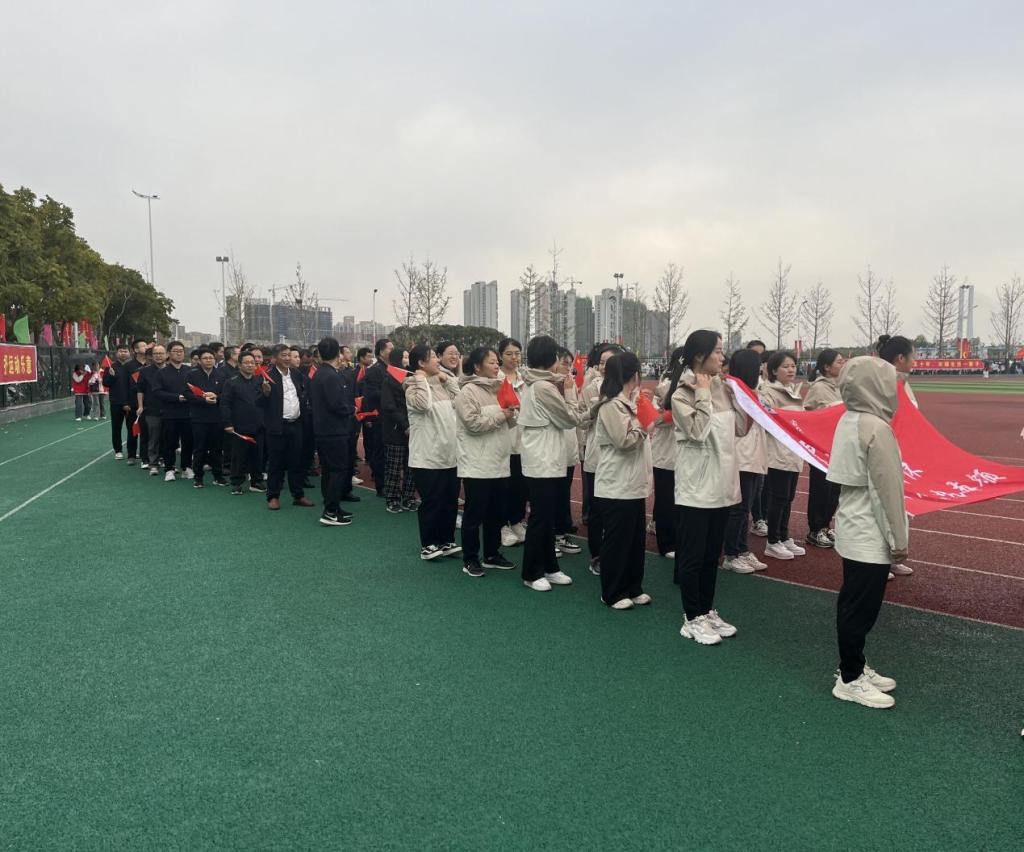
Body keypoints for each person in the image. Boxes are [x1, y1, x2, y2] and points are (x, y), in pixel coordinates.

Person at [827, 356, 908, 709]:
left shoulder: (849, 418)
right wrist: (898, 540)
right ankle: (849, 677)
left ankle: (854, 665)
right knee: (860, 607)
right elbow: (886, 490)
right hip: (870, 529)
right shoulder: (876, 427)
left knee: (854, 602)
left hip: (852, 522)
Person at [670, 330, 749, 645]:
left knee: (711, 555)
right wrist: (703, 394)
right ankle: (691, 618)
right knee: (692, 556)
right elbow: (698, 432)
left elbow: (741, 428)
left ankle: (706, 610)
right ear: (699, 356)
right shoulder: (682, 394)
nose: (722, 356)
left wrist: (740, 398)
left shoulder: (723, 388)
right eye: (717, 351)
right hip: (697, 488)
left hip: (723, 484)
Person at [518, 335, 582, 591]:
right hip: (542, 459)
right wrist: (570, 393)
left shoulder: (537, 383)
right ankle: (531, 572)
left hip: (545, 457)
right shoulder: (543, 387)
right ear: (551, 358)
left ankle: (549, 566)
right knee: (541, 518)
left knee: (546, 516)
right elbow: (569, 418)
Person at [593, 352, 655, 609]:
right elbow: (624, 440)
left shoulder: (629, 402)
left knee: (634, 540)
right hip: (616, 483)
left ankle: (633, 586)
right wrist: (645, 424)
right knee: (617, 541)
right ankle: (613, 592)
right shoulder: (611, 405)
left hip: (632, 482)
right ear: (634, 375)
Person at [454, 346, 517, 577]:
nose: (496, 365)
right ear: (477, 366)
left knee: (496, 513)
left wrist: (512, 412)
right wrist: (502, 415)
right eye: (491, 362)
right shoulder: (467, 392)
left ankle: (492, 554)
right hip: (477, 463)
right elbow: (473, 424)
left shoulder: (500, 388)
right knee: (474, 514)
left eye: (496, 361)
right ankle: (471, 558)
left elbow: (511, 422)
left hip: (499, 461)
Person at [405, 344, 461, 560]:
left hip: (449, 454)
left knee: (450, 500)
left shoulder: (443, 384)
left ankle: (447, 540)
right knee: (432, 501)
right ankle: (428, 544)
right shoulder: (412, 387)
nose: (438, 361)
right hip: (427, 456)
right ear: (421, 363)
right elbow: (424, 405)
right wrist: (420, 379)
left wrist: (448, 380)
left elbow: (461, 400)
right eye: (433, 358)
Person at [721, 349, 769, 573]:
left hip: (754, 455)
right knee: (738, 509)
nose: (760, 370)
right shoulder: (732, 390)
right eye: (757, 366)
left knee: (746, 508)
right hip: (742, 456)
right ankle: (731, 554)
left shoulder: (753, 392)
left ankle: (742, 549)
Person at [760, 351, 807, 561]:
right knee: (778, 498)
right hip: (777, 453)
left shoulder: (793, 391)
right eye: (785, 366)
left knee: (788, 498)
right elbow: (769, 421)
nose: (791, 370)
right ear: (773, 370)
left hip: (793, 453)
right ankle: (772, 541)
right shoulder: (768, 392)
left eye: (793, 366)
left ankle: (783, 536)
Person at [257, 344, 314, 510]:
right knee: (276, 463)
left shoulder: (296, 374)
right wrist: (265, 393)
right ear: (274, 358)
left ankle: (298, 495)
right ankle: (273, 496)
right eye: (284, 355)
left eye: (289, 355)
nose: (288, 358)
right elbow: (257, 402)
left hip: (296, 424)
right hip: (277, 426)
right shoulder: (267, 376)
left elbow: (304, 394)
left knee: (296, 462)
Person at [581, 344, 621, 574]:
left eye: (610, 362)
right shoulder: (591, 388)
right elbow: (582, 419)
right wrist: (598, 406)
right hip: (597, 454)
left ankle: (615, 553)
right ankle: (596, 555)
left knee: (616, 509)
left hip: (620, 456)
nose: (605, 366)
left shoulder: (629, 388)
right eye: (602, 362)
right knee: (596, 510)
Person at [309, 337, 356, 527]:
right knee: (337, 470)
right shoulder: (330, 375)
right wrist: (352, 409)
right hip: (334, 430)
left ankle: (333, 506)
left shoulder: (321, 373)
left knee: (329, 470)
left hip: (324, 429)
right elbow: (337, 404)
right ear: (338, 353)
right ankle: (330, 511)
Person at [803, 349, 846, 548]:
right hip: (821, 448)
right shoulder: (819, 388)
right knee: (821, 489)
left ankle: (826, 525)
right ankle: (815, 529)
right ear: (827, 367)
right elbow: (811, 417)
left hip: (838, 446)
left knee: (835, 490)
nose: (843, 364)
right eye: (839, 362)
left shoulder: (841, 386)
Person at [651, 347, 684, 560]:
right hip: (666, 453)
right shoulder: (664, 386)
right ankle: (666, 543)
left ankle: (680, 538)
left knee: (682, 501)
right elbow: (654, 419)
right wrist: (677, 414)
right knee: (666, 500)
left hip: (687, 454)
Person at [220, 352, 267, 496]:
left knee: (258, 455)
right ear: (239, 365)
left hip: (258, 425)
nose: (250, 365)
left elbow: (265, 402)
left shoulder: (260, 381)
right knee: (238, 456)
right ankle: (236, 483)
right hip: (239, 426)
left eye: (252, 362)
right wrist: (227, 423)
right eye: (246, 362)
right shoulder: (231, 382)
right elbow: (225, 404)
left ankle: (256, 481)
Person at [552, 347, 583, 556]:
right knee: (554, 495)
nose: (568, 368)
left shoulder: (570, 385)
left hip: (569, 447)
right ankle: (554, 535)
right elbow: (568, 416)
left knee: (563, 492)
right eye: (564, 363)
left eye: (570, 364)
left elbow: (577, 417)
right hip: (554, 450)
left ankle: (561, 532)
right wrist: (570, 392)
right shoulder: (549, 388)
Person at [498, 338, 528, 547]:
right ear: (500, 356)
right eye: (509, 353)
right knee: (503, 486)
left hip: (523, 441)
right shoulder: (496, 379)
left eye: (517, 353)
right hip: (503, 441)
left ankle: (516, 521)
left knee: (520, 485)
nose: (514, 357)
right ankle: (502, 525)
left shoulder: (525, 379)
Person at [381, 348, 418, 512]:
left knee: (411, 467)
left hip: (413, 428)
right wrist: (405, 425)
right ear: (397, 359)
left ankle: (409, 497)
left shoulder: (411, 377)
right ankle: (392, 498)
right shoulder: (388, 379)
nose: (407, 360)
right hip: (396, 430)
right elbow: (389, 407)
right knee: (394, 467)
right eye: (404, 357)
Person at [185, 346, 226, 489]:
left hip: (217, 417)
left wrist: (217, 397)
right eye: (205, 358)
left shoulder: (221, 374)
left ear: (215, 360)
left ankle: (218, 476)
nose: (208, 360)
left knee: (217, 449)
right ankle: (198, 477)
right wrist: (203, 400)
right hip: (199, 417)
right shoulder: (192, 375)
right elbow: (187, 394)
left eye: (211, 358)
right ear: (200, 360)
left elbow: (227, 394)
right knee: (199, 448)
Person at [153, 341, 194, 481]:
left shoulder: (190, 371)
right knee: (169, 442)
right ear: (169, 354)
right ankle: (169, 469)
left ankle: (186, 467)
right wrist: (177, 397)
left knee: (188, 442)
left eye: (181, 351)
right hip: (169, 413)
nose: (179, 353)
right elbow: (157, 392)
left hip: (188, 413)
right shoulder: (161, 373)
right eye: (175, 351)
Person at [362, 338, 393, 496]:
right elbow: (370, 395)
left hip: (391, 417)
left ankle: (389, 482)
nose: (392, 351)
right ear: (381, 352)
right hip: (379, 417)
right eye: (390, 348)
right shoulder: (374, 370)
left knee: (390, 453)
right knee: (379, 451)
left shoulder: (392, 368)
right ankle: (381, 485)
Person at [747, 341, 770, 537]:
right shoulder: (739, 387)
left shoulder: (764, 384)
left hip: (762, 443)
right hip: (745, 448)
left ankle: (759, 517)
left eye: (762, 357)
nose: (759, 361)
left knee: (759, 486)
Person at [103, 344, 138, 461]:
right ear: (117, 353)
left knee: (132, 428)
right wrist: (111, 376)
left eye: (125, 351)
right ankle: (118, 450)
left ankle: (132, 452)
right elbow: (105, 383)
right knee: (116, 427)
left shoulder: (133, 366)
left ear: (130, 353)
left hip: (131, 402)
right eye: (121, 351)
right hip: (116, 402)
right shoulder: (111, 367)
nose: (123, 353)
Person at [137, 344, 166, 476]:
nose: (158, 356)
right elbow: (140, 390)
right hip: (152, 409)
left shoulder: (171, 370)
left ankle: (165, 460)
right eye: (156, 354)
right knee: (153, 437)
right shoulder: (144, 371)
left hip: (170, 409)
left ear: (166, 355)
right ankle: (153, 463)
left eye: (161, 353)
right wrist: (140, 406)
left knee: (167, 437)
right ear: (151, 356)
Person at [876, 335, 918, 408]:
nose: (914, 361)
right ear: (901, 358)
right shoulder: (897, 388)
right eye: (912, 357)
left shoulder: (874, 382)